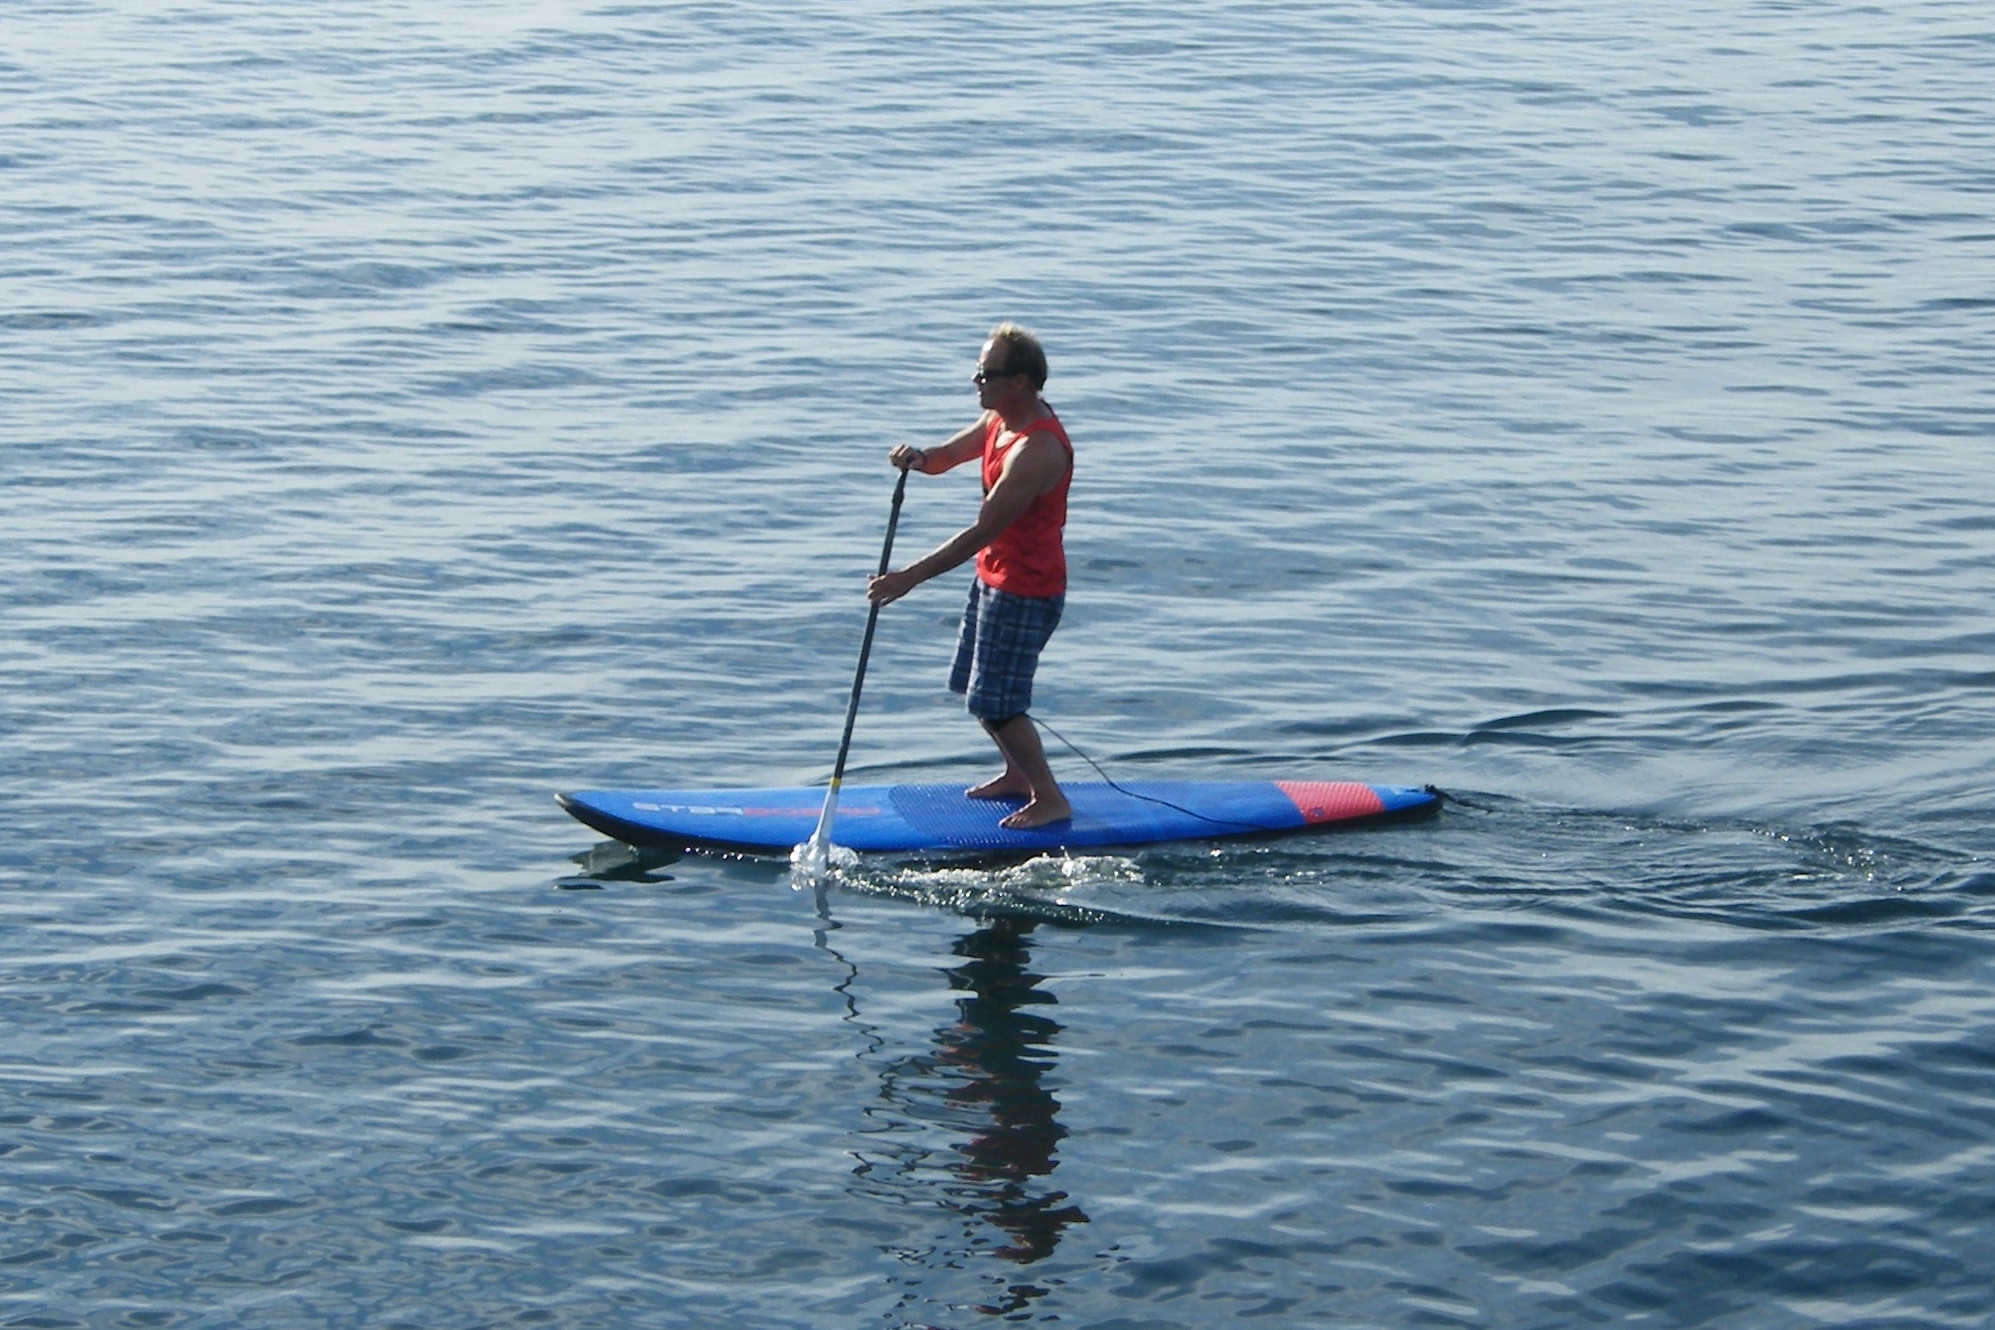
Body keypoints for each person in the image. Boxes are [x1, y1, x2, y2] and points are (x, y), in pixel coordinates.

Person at [867, 323, 1075, 830]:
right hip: (994, 579)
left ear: (1022, 382)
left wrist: (907, 578)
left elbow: (982, 531)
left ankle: (1049, 797)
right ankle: (1016, 775)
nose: (976, 381)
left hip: (1026, 590)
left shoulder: (1036, 450)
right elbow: (943, 458)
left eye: (987, 374)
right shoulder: (997, 421)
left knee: (999, 703)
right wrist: (917, 458)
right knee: (976, 691)